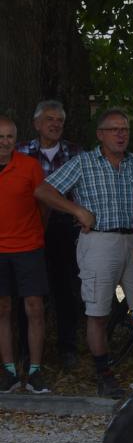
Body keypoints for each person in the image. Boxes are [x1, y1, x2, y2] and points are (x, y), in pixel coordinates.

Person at [33, 109, 133, 398]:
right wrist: (77, 210)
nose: (120, 135)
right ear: (100, 135)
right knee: (98, 312)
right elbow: (43, 190)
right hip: (99, 241)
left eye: (125, 129)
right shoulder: (83, 162)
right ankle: (104, 375)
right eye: (114, 129)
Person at [15, 99, 83, 369]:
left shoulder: (77, 153)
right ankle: (25, 349)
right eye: (50, 119)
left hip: (64, 228)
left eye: (59, 121)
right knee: (28, 290)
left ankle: (67, 348)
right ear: (36, 124)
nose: (55, 125)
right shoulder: (21, 152)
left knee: (66, 288)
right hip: (27, 227)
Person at [0, 117, 49, 393]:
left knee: (35, 308)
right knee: (3, 309)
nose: (4, 142)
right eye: (0, 136)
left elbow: (44, 206)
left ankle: (35, 370)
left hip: (28, 247)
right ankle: (8, 371)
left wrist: (36, 233)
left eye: (9, 136)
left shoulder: (29, 166)